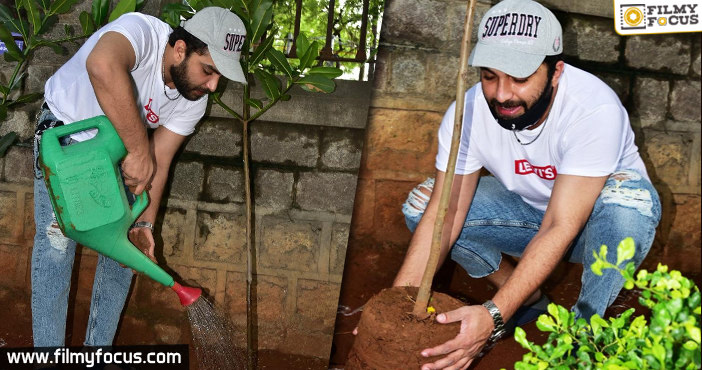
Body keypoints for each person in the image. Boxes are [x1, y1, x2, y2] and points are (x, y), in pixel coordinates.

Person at [394, 0, 661, 368]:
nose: (502, 94)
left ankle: (585, 333)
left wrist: (493, 317)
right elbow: (448, 210)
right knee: (425, 206)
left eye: (519, 78)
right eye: (490, 76)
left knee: (628, 203)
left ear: (556, 72)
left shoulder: (593, 108)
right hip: (529, 219)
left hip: (594, 227)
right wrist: (397, 305)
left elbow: (561, 224)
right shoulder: (468, 112)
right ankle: (526, 295)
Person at [32, 7, 247, 347]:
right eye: (208, 70)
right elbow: (101, 65)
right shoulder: (142, 32)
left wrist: (144, 225)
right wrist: (138, 149)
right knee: (57, 248)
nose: (213, 85)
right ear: (180, 48)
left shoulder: (193, 99)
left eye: (220, 76)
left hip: (119, 155)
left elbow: (159, 158)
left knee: (123, 257)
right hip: (68, 138)